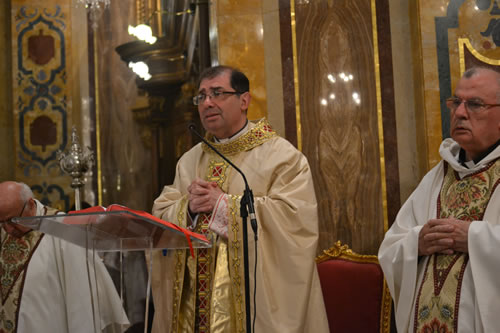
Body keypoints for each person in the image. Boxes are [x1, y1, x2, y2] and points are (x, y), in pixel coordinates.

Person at [151, 65, 329, 332]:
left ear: (244, 100)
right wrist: (187, 209)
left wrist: (224, 205)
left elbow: (295, 221)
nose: (207, 103)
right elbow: (160, 214)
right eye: (201, 96)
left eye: (217, 93)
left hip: (247, 308)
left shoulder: (281, 156)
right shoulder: (190, 160)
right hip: (194, 306)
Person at [378, 67, 500, 332]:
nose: (459, 113)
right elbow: (391, 249)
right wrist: (417, 243)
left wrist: (474, 238)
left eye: (475, 104)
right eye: (456, 102)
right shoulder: (438, 176)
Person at [0, 181, 129, 332]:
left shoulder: (64, 228)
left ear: (30, 204)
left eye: (12, 220)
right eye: (2, 222)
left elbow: (81, 301)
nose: (7, 228)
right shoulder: (4, 230)